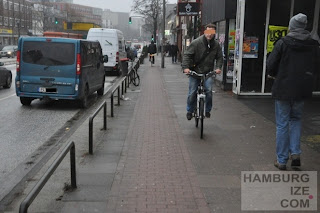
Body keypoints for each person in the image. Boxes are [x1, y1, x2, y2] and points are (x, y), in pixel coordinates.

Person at [266, 13, 320, 170]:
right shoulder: (314, 45)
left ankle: (282, 160)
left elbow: (271, 64)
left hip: (283, 88)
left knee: (282, 123)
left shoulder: (283, 42)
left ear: (292, 26)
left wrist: (274, 74)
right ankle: (295, 154)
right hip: (302, 89)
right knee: (296, 120)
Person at [182, 23, 223, 120]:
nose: (209, 35)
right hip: (195, 72)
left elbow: (220, 57)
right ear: (205, 32)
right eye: (208, 32)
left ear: (214, 33)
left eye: (211, 32)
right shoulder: (196, 43)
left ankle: (208, 110)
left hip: (207, 73)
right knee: (192, 92)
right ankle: (190, 110)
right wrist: (186, 68)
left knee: (208, 91)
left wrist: (218, 67)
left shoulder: (216, 45)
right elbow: (187, 55)